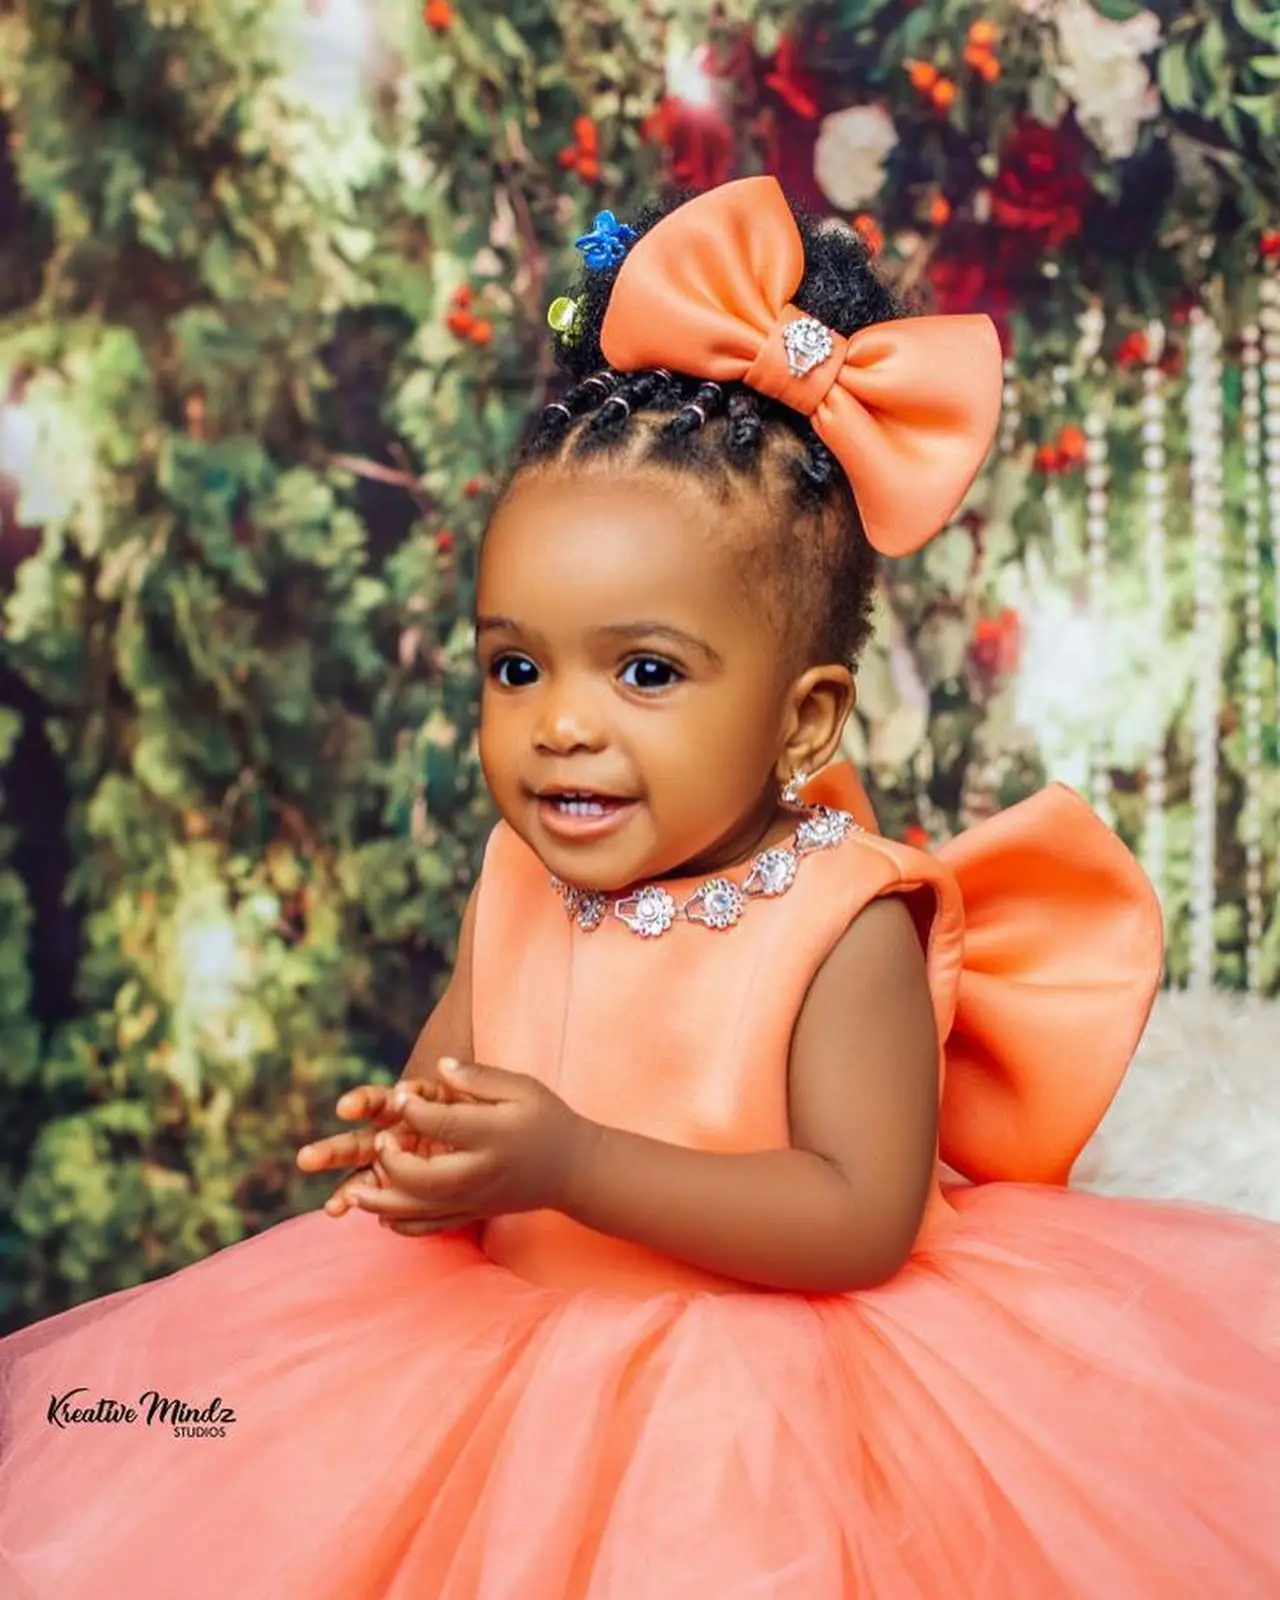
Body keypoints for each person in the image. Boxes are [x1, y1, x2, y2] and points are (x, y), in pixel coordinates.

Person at [1, 176, 1277, 1599]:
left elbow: (860, 1217)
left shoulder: (842, 915)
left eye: (648, 671)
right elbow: (463, 1083)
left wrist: (575, 1165)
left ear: (803, 721)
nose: (562, 723)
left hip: (768, 1415)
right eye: (516, 665)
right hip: (484, 1367)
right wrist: (426, 1155)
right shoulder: (519, 873)